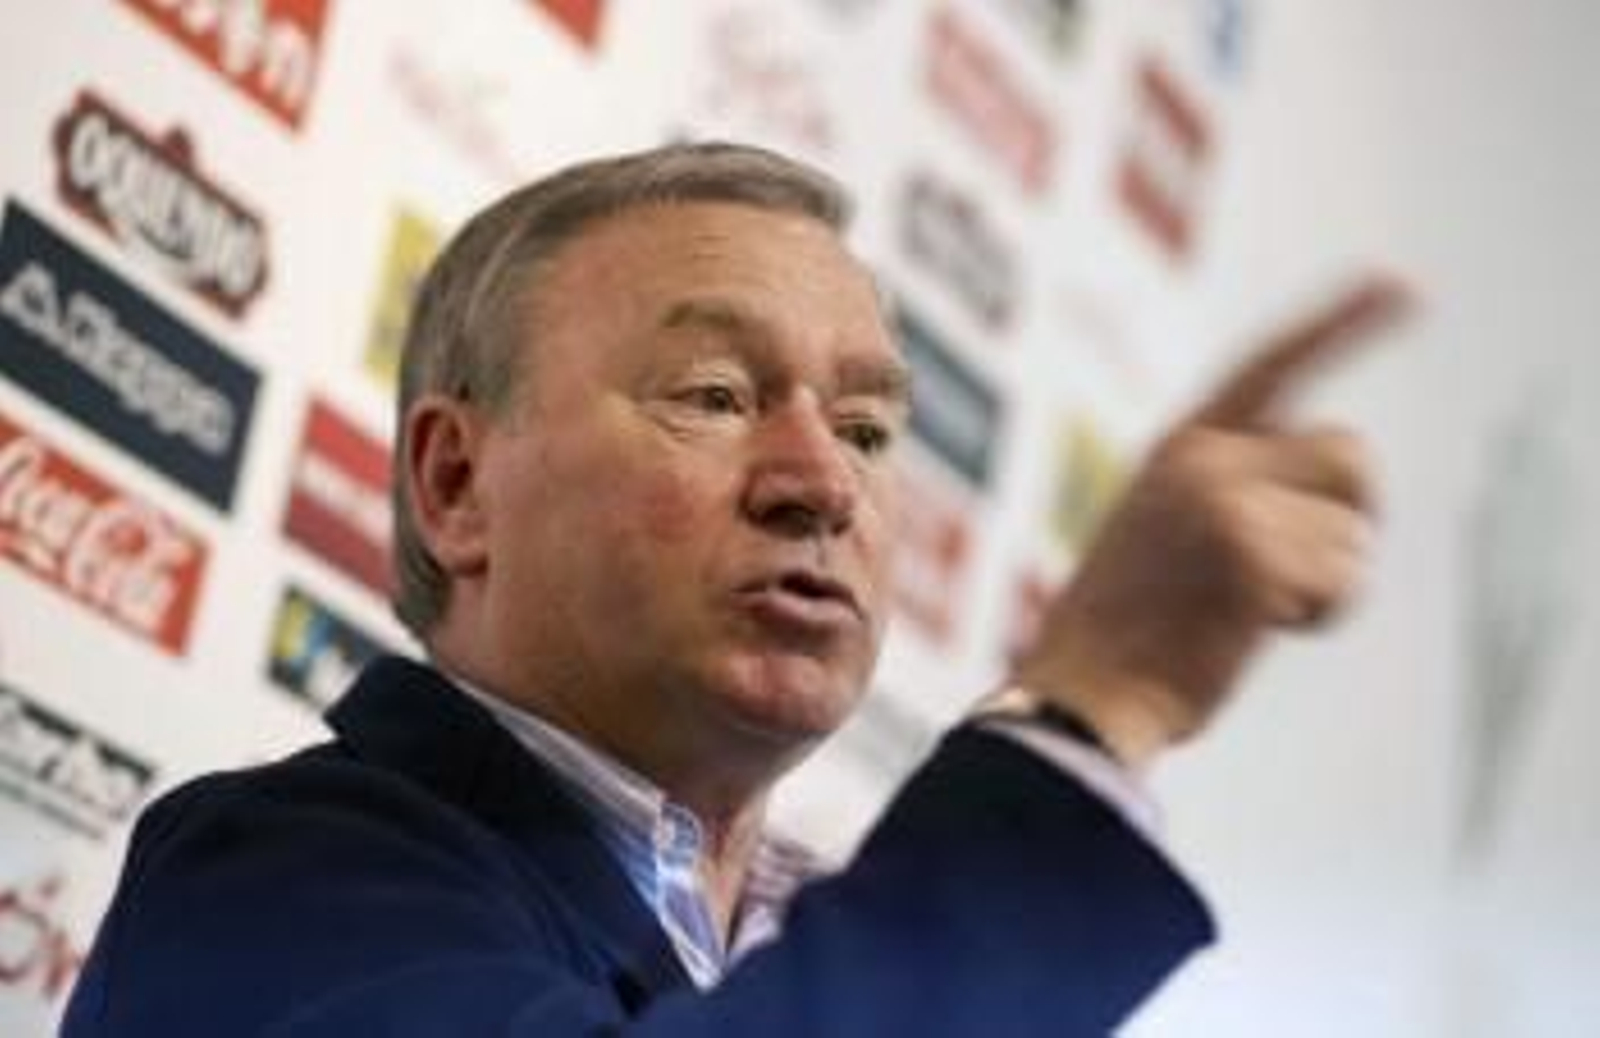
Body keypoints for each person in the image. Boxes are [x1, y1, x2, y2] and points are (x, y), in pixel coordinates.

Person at [62, 142, 1408, 1036]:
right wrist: (1104, 699)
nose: (821, 479)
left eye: (871, 429)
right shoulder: (270, 879)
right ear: (457, 484)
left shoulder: (807, 937)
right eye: (713, 395)